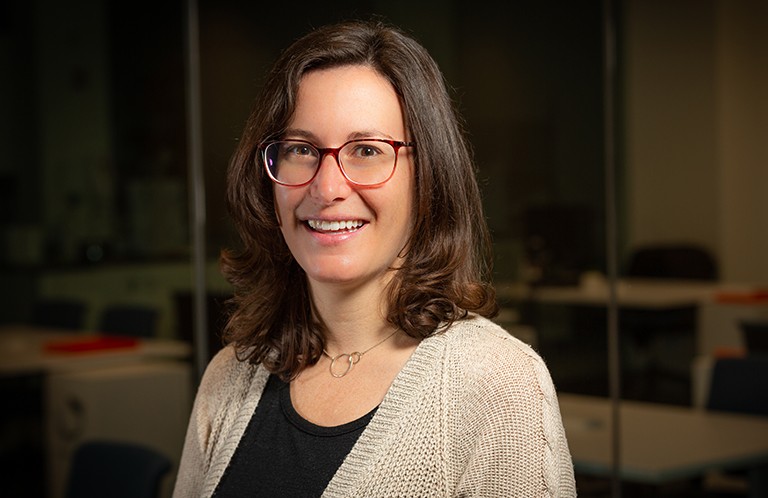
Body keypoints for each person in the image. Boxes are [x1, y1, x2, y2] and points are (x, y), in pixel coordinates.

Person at [173, 19, 576, 498]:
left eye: (366, 149)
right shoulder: (229, 375)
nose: (327, 188)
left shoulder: (499, 387)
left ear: (427, 177)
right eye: (302, 149)